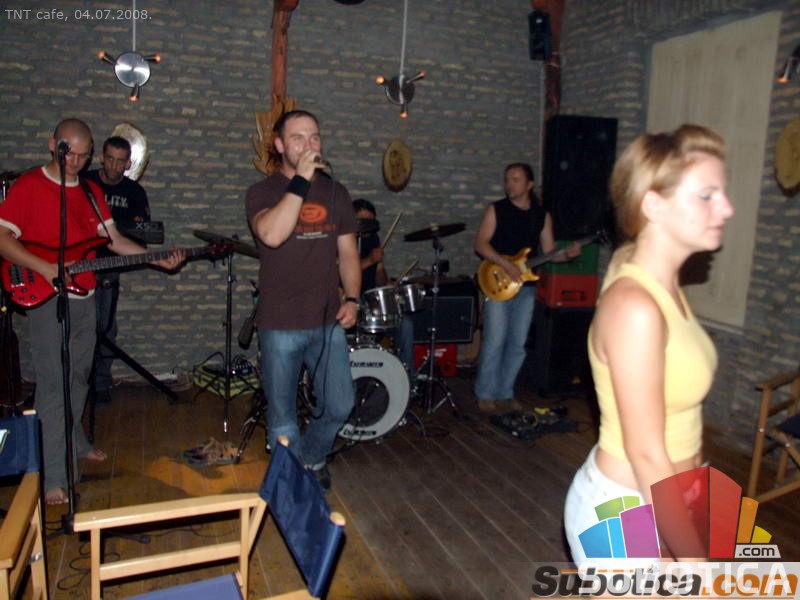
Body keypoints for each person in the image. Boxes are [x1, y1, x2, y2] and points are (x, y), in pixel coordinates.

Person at [563, 124, 734, 564]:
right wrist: (694, 563)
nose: (727, 208)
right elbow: (645, 452)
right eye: (707, 195)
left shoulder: (661, 283)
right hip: (627, 508)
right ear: (653, 205)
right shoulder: (635, 307)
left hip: (669, 496)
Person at [0, 118, 185, 505]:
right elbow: (3, 239)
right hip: (45, 296)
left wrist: (154, 259)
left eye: (83, 156)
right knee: (54, 384)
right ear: (52, 144)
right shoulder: (29, 186)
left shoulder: (89, 191)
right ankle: (54, 475)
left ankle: (77, 441)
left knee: (79, 376)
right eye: (70, 154)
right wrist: (44, 267)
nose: (76, 163)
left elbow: (114, 240)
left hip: (83, 295)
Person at [245, 110, 360, 491]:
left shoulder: (336, 193)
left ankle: (312, 456)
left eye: (314, 137)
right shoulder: (262, 192)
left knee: (340, 404)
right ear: (279, 145)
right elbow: (272, 235)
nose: (308, 144)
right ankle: (290, 486)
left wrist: (353, 298)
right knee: (283, 419)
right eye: (298, 138)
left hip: (327, 320)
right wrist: (300, 182)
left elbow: (348, 254)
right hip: (279, 324)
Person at [473, 162, 579, 413]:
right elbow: (480, 244)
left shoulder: (542, 216)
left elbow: (549, 252)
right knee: (495, 339)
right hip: (498, 281)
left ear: (529, 184)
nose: (509, 184)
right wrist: (505, 264)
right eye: (507, 179)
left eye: (515, 180)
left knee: (517, 343)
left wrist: (568, 255)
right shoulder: (496, 210)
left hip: (526, 286)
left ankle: (505, 392)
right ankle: (485, 393)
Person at [84, 136, 151, 404]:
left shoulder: (134, 192)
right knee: (78, 327)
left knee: (105, 327)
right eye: (109, 158)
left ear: (128, 164)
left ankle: (100, 383)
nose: (113, 165)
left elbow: (142, 233)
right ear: (101, 157)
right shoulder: (85, 182)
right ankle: (76, 383)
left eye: (120, 161)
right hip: (79, 263)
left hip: (109, 265)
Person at [352, 198, 415, 374]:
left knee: (405, 325)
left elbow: (380, 275)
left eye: (370, 221)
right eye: (362, 221)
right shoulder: (343, 239)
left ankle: (406, 378)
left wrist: (386, 284)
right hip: (348, 301)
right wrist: (370, 260)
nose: (366, 225)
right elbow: (340, 269)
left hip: (372, 302)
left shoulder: (374, 239)